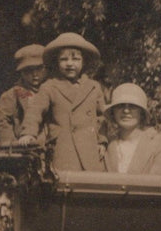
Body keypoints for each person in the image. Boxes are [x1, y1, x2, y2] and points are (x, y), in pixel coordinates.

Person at [17, 32, 107, 171]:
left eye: (76, 59)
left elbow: (102, 117)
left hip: (90, 150)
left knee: (91, 187)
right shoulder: (49, 87)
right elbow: (35, 112)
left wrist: (102, 141)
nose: (70, 64)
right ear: (56, 62)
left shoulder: (94, 87)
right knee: (64, 185)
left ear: (84, 62)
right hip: (63, 149)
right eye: (63, 59)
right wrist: (28, 133)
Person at [103, 83, 161, 175]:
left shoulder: (160, 145)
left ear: (142, 113)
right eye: (121, 106)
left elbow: (159, 182)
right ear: (113, 112)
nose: (126, 111)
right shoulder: (106, 144)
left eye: (132, 106)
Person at [0, 44, 47, 142]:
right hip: (23, 147)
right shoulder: (12, 95)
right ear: (21, 72)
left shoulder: (53, 90)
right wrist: (13, 145)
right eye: (28, 70)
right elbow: (3, 122)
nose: (35, 74)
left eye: (39, 68)